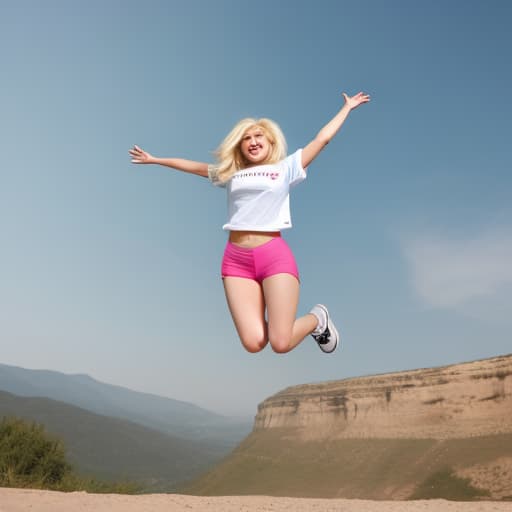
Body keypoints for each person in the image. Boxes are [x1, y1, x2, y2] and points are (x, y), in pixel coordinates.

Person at [129, 90, 370, 355]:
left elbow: (321, 139)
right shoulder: (230, 173)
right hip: (236, 260)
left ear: (270, 141)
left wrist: (346, 108)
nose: (253, 142)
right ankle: (297, 322)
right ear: (240, 146)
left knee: (281, 343)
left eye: (258, 136)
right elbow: (192, 166)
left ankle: (317, 319)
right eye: (246, 138)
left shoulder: (286, 168)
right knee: (254, 343)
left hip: (273, 256)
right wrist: (154, 159)